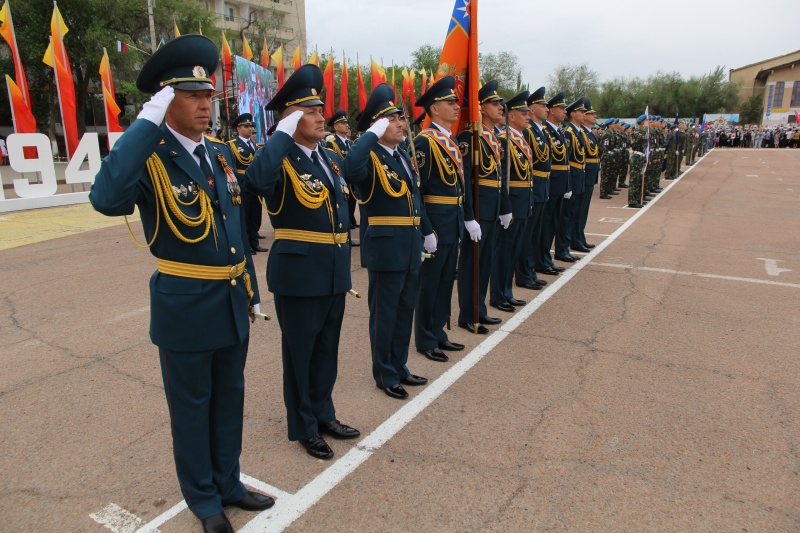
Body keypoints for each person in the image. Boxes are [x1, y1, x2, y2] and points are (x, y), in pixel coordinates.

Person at [88, 35, 273, 533]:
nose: (205, 104)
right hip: (187, 306)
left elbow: (235, 232)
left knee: (229, 398)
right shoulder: (150, 156)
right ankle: (204, 498)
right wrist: (143, 125)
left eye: (208, 95)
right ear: (166, 101)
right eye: (192, 95)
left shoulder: (218, 154)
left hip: (232, 300)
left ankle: (228, 481)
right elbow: (106, 198)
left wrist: (251, 293)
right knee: (192, 409)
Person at [245, 64, 360, 461]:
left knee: (327, 350)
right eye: (310, 111)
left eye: (319, 110)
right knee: (300, 354)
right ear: (291, 118)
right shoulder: (278, 156)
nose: (320, 117)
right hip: (299, 271)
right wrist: (279, 135)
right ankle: (304, 426)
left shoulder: (326, 157)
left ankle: (324, 413)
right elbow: (256, 182)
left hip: (331, 269)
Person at [341, 84, 429, 400]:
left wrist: (426, 232)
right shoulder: (370, 155)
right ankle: (384, 372)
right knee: (385, 313)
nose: (401, 124)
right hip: (385, 244)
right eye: (392, 119)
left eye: (399, 118)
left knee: (405, 310)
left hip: (409, 244)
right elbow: (350, 170)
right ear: (378, 125)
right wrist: (369, 135)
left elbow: (414, 198)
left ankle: (399, 365)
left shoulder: (402, 156)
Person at [413, 76, 464, 362]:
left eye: (455, 102)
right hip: (436, 222)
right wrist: (426, 230)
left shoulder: (450, 140)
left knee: (446, 282)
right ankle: (425, 338)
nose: (456, 107)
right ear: (434, 109)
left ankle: (439, 332)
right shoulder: (425, 143)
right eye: (449, 103)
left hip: (452, 220)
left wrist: (465, 219)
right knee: (429, 284)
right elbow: (418, 191)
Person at [457, 80, 511, 333]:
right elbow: (466, 180)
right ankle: (467, 314)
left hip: (491, 209)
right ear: (481, 108)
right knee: (472, 265)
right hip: (478, 211)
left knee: (486, 263)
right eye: (494, 103)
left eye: (500, 103)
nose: (500, 107)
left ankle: (479, 309)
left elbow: (499, 178)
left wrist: (504, 207)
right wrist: (468, 216)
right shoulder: (470, 137)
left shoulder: (493, 137)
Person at [490, 91, 533, 312]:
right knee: (504, 250)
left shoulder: (520, 139)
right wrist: (505, 207)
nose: (528, 116)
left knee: (515, 249)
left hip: (523, 201)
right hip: (511, 203)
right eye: (523, 113)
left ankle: (507, 291)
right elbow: (503, 179)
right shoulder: (504, 140)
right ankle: (498, 294)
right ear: (512, 116)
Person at [515, 87, 551, 292]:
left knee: (534, 233)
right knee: (526, 234)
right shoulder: (528, 132)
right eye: (542, 105)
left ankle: (530, 270)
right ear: (532, 108)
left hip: (540, 186)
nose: (546, 109)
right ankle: (524, 272)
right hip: (532, 185)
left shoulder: (539, 130)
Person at [537, 91, 569, 276]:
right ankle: (541, 259)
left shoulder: (556, 131)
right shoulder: (546, 131)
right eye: (561, 108)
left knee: (552, 222)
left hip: (555, 183)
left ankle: (545, 258)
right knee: (545, 225)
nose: (564, 111)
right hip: (548, 182)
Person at [228, 113, 267, 254]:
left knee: (255, 216)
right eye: (246, 126)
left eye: (251, 126)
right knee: (244, 217)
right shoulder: (231, 145)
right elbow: (230, 168)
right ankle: (245, 245)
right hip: (242, 185)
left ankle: (254, 242)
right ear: (238, 128)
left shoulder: (254, 145)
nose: (250, 128)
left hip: (255, 185)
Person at [554, 98, 585, 263]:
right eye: (581, 111)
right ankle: (562, 248)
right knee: (564, 217)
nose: (584, 114)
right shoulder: (569, 133)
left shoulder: (573, 132)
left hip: (575, 177)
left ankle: (568, 245)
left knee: (573, 214)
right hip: (569, 178)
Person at [325, 110, 358, 229]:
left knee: (351, 207)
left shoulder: (350, 142)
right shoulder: (332, 143)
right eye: (343, 123)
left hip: (351, 182)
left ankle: (349, 226)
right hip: (342, 181)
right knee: (344, 208)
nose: (347, 125)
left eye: (346, 123)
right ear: (336, 126)